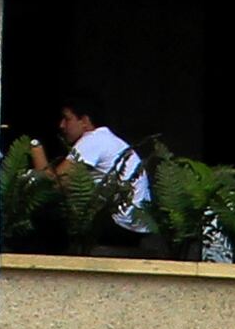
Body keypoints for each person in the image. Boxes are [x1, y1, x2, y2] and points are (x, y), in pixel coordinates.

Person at [26, 94, 152, 231]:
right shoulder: (106, 138)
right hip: (137, 224)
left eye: (67, 119)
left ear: (85, 121)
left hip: (121, 225)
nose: (61, 125)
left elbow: (54, 185)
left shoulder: (93, 139)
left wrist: (35, 147)